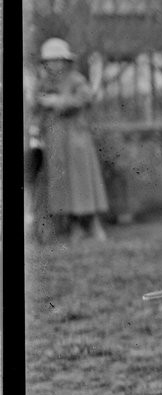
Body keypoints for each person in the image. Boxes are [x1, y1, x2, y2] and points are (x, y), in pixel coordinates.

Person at [32, 37, 109, 243]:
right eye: (50, 61)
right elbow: (36, 108)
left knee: (82, 181)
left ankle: (93, 224)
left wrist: (59, 102)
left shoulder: (76, 80)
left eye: (58, 60)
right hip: (55, 141)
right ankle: (75, 226)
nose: (54, 65)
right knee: (63, 183)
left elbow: (85, 98)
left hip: (77, 139)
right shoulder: (43, 84)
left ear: (66, 61)